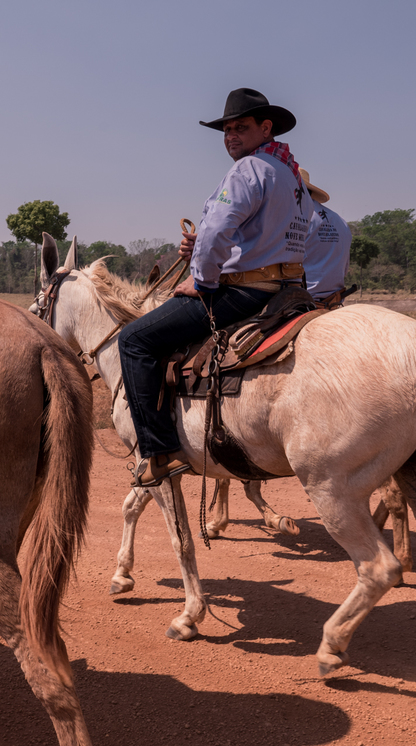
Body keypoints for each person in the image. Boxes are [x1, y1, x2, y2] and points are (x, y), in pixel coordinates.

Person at [118, 88, 311, 487]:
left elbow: (219, 229)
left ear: (266, 128)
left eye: (241, 127)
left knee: (134, 340)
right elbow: (266, 236)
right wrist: (207, 246)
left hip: (242, 292)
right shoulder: (292, 177)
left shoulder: (247, 170)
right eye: (227, 130)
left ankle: (160, 453)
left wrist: (203, 280)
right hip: (285, 291)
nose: (231, 136)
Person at [298, 168, 352, 305]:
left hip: (302, 301)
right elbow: (345, 269)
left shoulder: (294, 218)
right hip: (334, 301)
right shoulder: (340, 221)